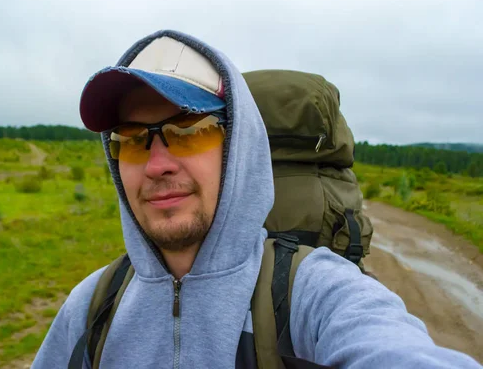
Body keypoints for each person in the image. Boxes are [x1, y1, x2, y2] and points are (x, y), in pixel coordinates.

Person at [32, 30, 482, 369]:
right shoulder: (92, 307)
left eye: (188, 132)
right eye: (131, 140)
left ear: (239, 147)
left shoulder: (312, 293)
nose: (157, 165)